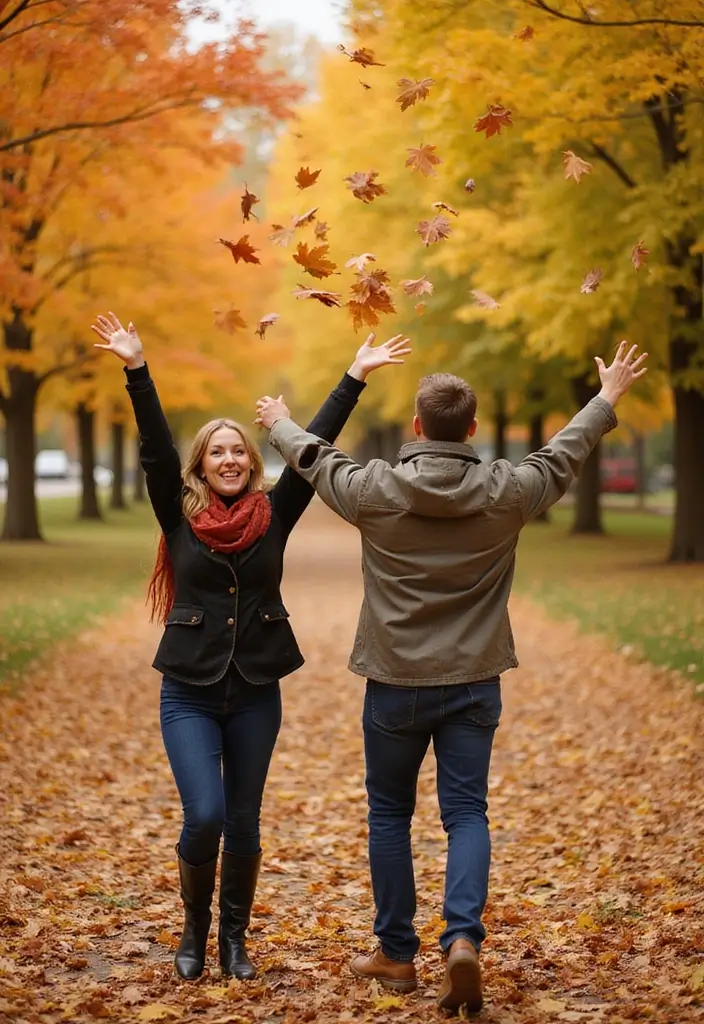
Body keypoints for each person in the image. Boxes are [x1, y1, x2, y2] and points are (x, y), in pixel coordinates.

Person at [255, 341, 648, 1014]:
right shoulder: (507, 491)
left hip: (395, 683)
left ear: (416, 427)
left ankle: (398, 954)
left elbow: (318, 462)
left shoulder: (377, 489)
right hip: (473, 682)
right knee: (465, 813)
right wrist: (607, 396)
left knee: (389, 815)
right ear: (471, 430)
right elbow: (564, 454)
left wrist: (278, 421)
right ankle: (461, 940)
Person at [91, 311, 410, 982]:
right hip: (189, 691)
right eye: (219, 451)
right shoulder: (178, 515)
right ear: (202, 465)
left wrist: (354, 375)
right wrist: (136, 369)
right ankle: (194, 928)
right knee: (203, 814)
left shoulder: (275, 515)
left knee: (244, 819)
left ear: (252, 462)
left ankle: (235, 940)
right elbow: (152, 447)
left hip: (256, 692)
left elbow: (314, 445)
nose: (231, 458)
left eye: (240, 449)